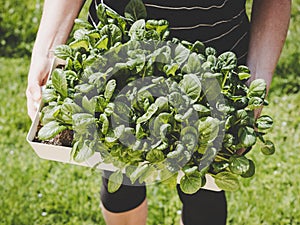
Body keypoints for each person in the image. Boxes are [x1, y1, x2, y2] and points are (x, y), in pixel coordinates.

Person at [26, 0, 291, 224]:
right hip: (118, 57)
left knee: (204, 187)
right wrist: (46, 51)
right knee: (120, 177)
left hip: (212, 67)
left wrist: (257, 80)